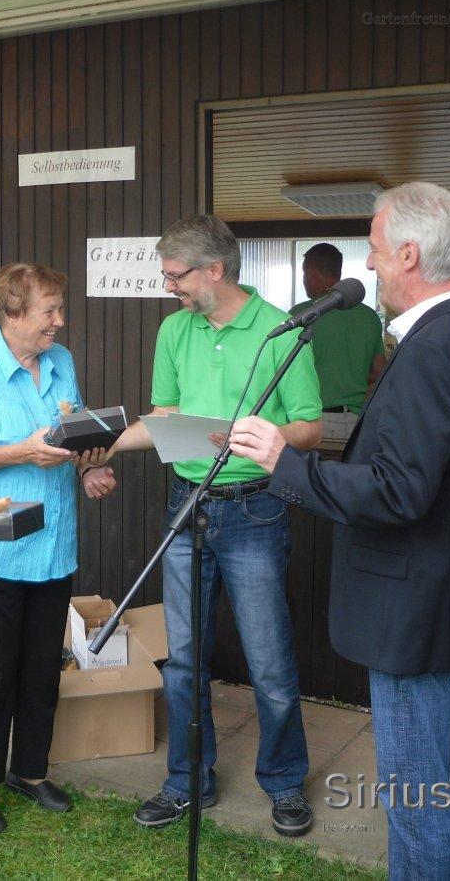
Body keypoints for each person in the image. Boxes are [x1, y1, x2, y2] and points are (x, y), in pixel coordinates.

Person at [229, 182, 450, 880]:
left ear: (409, 254)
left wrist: (286, 464)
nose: (369, 264)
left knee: (419, 804)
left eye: (377, 249)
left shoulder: (434, 348)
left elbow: (399, 491)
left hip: (417, 614)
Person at [105, 215, 322, 837]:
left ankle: (284, 782)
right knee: (183, 660)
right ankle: (186, 782)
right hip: (187, 503)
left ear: (214, 271)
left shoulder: (282, 330)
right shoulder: (174, 329)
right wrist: (106, 445)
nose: (168, 286)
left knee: (269, 663)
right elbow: (165, 415)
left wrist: (261, 435)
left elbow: (311, 426)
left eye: (175, 276)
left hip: (255, 510)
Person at [0, 263, 115, 834]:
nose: (60, 321)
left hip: (52, 545)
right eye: (48, 311)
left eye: (59, 308)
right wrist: (21, 452)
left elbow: (69, 438)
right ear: (11, 314)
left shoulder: (61, 362)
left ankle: (29, 771)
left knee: (40, 670)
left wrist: (88, 469)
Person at [292, 243, 385, 439]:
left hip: (311, 420)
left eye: (305, 273)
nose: (304, 280)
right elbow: (378, 372)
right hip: (356, 421)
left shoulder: (301, 315)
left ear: (313, 272)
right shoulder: (370, 317)